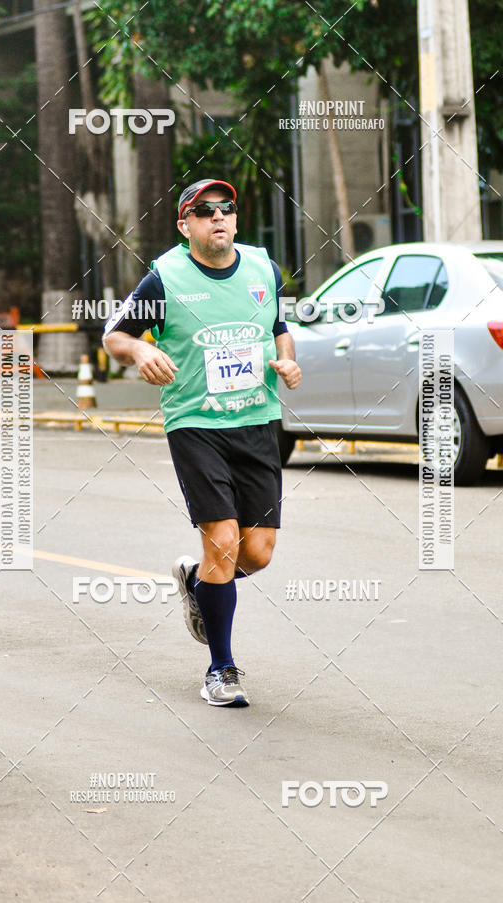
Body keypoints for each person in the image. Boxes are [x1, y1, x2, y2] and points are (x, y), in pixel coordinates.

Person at [104, 178, 301, 708]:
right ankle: (221, 668)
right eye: (204, 211)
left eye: (226, 209)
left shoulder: (262, 268)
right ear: (184, 225)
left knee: (256, 554)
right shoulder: (165, 278)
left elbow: (277, 324)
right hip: (196, 424)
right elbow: (115, 335)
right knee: (223, 540)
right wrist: (140, 354)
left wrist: (287, 357)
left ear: (235, 219)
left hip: (258, 421)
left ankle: (198, 584)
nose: (218, 217)